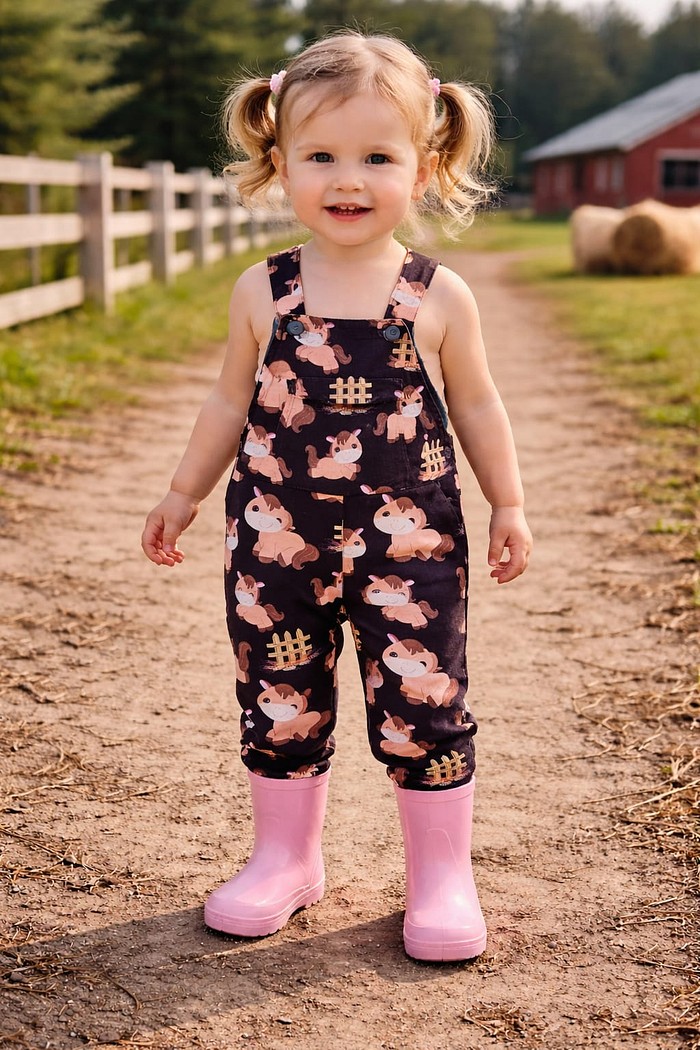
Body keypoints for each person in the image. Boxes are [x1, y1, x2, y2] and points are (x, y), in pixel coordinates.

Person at [141, 30, 532, 963]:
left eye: (375, 157)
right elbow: (229, 400)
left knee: (422, 694)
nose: (346, 179)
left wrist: (507, 502)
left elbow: (477, 402)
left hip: (413, 551)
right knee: (280, 694)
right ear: (279, 162)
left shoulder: (438, 296)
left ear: (426, 166)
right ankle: (284, 859)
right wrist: (183, 491)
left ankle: (441, 876)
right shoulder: (262, 290)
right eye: (320, 155)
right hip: (278, 541)